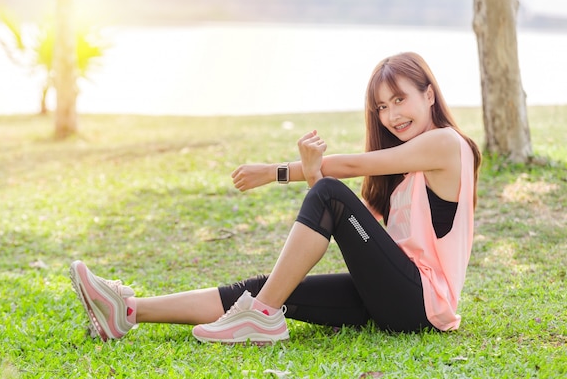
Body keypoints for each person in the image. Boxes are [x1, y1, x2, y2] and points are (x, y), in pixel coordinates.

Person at [70, 52, 482, 345]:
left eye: (400, 99)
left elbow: (353, 168)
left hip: (422, 305)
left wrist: (274, 172)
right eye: (382, 107)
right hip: (390, 298)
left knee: (328, 195)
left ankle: (259, 318)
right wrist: (315, 176)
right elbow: (355, 238)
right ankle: (127, 311)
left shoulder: (446, 144)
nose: (392, 114)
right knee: (268, 287)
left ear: (429, 94)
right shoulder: (399, 177)